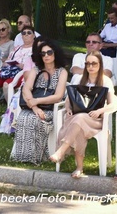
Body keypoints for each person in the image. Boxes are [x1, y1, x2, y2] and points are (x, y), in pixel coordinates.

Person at [49, 51, 117, 179]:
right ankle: (79, 168)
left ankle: (62, 150)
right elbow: (70, 98)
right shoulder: (80, 79)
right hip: (78, 118)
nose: (90, 66)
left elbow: (114, 104)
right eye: (88, 63)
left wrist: (100, 111)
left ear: (100, 64)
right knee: (79, 124)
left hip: (95, 119)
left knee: (79, 119)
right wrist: (68, 108)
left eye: (94, 63)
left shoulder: (105, 81)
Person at [11, 37, 68, 165]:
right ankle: (22, 156)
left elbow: (58, 96)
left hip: (51, 108)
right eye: (43, 53)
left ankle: (36, 157)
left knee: (35, 120)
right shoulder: (35, 70)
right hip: (33, 107)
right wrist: (35, 107)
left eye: (49, 52)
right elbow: (26, 89)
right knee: (23, 118)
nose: (46, 56)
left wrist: (36, 101)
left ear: (55, 53)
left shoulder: (62, 72)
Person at [0, 25, 36, 116]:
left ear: (34, 35)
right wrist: (7, 63)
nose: (26, 35)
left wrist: (21, 65)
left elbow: (35, 66)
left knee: (7, 85)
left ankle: (10, 111)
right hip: (9, 70)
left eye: (29, 33)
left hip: (23, 73)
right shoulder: (17, 48)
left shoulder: (36, 49)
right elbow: (8, 59)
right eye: (24, 33)